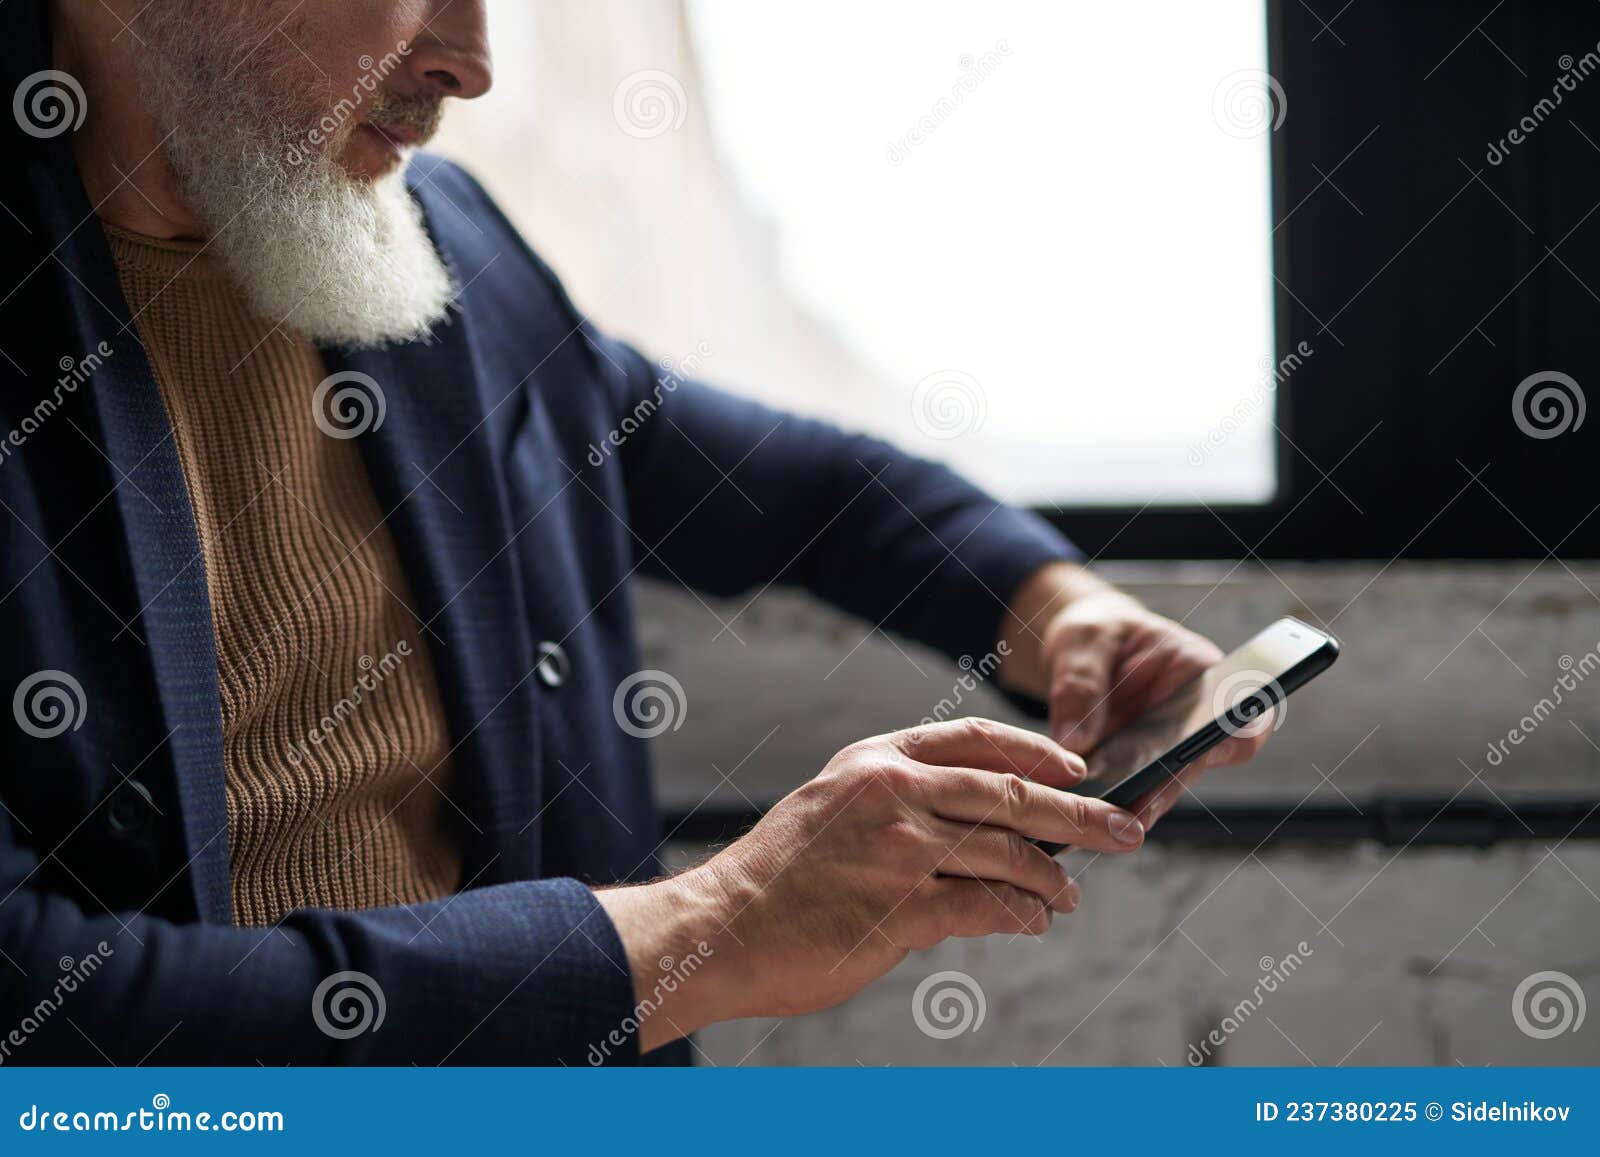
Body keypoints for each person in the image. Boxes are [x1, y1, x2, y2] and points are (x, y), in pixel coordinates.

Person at [0, 0, 1264, 1064]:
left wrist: (1049, 608)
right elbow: (41, 1009)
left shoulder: (433, 244)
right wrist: (709, 924)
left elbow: (801, 489)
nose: (471, 60)